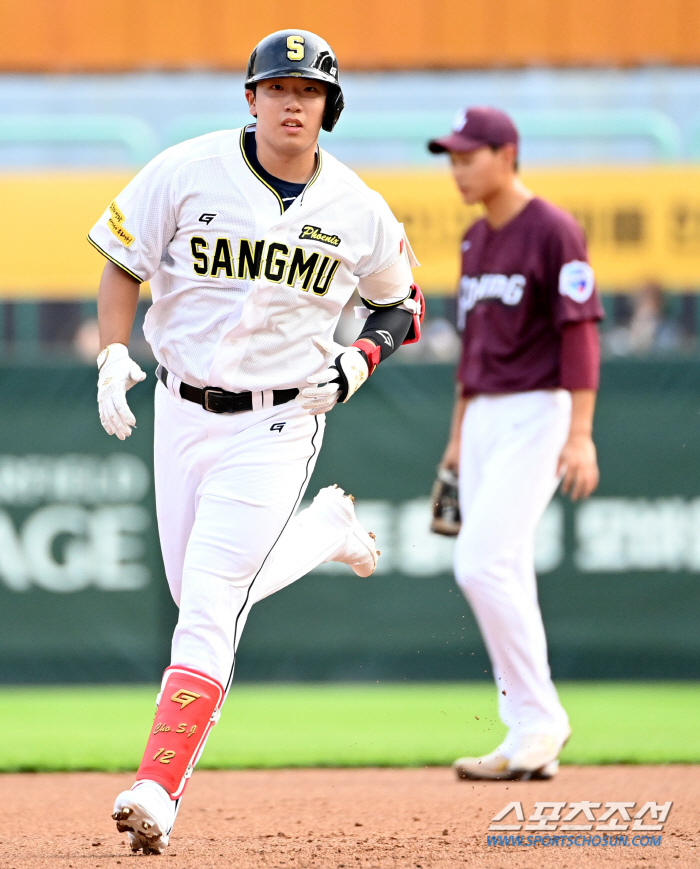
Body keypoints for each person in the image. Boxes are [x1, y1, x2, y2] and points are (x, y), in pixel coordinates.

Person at [89, 29, 423, 854]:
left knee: (207, 604)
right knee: (194, 590)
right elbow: (120, 262)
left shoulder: (357, 207)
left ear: (328, 108)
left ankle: (158, 789)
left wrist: (360, 360)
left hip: (281, 420)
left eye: (308, 92)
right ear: (251, 97)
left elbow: (405, 304)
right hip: (181, 408)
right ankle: (323, 531)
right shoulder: (185, 169)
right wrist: (110, 351)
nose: (292, 103)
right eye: (277, 88)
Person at [428, 106, 603, 780]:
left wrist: (581, 432)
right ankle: (526, 729)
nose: (459, 169)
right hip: (483, 417)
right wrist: (454, 440)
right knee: (507, 568)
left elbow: (579, 331)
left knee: (481, 564)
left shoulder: (554, 229)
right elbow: (472, 351)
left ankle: (542, 719)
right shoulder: (475, 240)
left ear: (507, 154)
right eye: (451, 158)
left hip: (538, 408)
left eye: (469, 156)